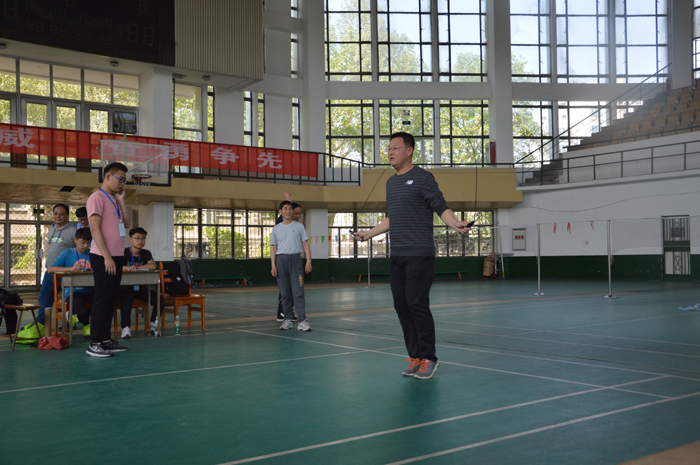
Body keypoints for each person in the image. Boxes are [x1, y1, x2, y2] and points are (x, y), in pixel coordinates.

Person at [353, 132, 471, 380]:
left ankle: (429, 358)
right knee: (402, 306)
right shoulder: (390, 183)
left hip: (420, 253)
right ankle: (415, 356)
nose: (390, 152)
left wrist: (454, 223)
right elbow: (392, 217)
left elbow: (441, 207)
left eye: (395, 148)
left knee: (417, 304)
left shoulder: (424, 178)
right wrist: (368, 234)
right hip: (397, 255)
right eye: (388, 148)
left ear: (409, 151)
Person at [85, 162, 131, 357]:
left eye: (124, 180)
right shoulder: (96, 197)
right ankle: (95, 343)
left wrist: (121, 200)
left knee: (111, 299)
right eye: (121, 179)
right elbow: (95, 229)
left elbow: (127, 223)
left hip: (117, 257)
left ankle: (105, 340)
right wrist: (106, 257)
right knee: (102, 299)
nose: (122, 183)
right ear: (107, 176)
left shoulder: (114, 199)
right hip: (103, 257)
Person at [271, 200, 312, 331]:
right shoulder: (276, 228)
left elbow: (305, 244)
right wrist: (273, 265)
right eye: (285, 208)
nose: (288, 211)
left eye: (290, 208)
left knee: (298, 292)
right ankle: (287, 319)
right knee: (285, 293)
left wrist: (308, 261)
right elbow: (273, 247)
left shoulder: (299, 226)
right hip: (281, 261)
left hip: (295, 261)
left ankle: (302, 321)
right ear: (280, 211)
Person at [119, 227, 165, 339]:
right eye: (137, 238)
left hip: (140, 288)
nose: (140, 241)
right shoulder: (123, 252)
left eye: (143, 238)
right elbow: (117, 266)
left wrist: (137, 268)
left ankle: (153, 323)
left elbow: (152, 265)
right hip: (126, 288)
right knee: (126, 298)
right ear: (130, 239)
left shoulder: (145, 253)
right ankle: (125, 328)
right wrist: (128, 268)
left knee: (159, 300)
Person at [47, 227, 93, 338]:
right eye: (83, 242)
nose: (85, 246)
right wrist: (70, 269)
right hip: (73, 291)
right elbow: (50, 269)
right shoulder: (66, 254)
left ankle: (74, 317)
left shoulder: (92, 254)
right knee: (82, 311)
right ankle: (86, 324)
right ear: (75, 240)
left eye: (88, 243)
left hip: (90, 289)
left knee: (106, 303)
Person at [37, 204, 77, 324]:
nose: (58, 216)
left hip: (66, 273)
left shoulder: (73, 231)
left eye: (62, 214)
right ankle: (41, 323)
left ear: (67, 216)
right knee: (45, 297)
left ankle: (70, 323)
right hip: (51, 272)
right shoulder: (52, 229)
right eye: (56, 214)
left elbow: (79, 250)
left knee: (69, 299)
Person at [275, 191, 300, 322]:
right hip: (283, 261)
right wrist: (287, 197)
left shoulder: (296, 226)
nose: (297, 216)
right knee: (285, 290)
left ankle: (288, 312)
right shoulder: (281, 223)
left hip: (294, 261)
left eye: (299, 214)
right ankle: (282, 313)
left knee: (294, 289)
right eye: (296, 213)